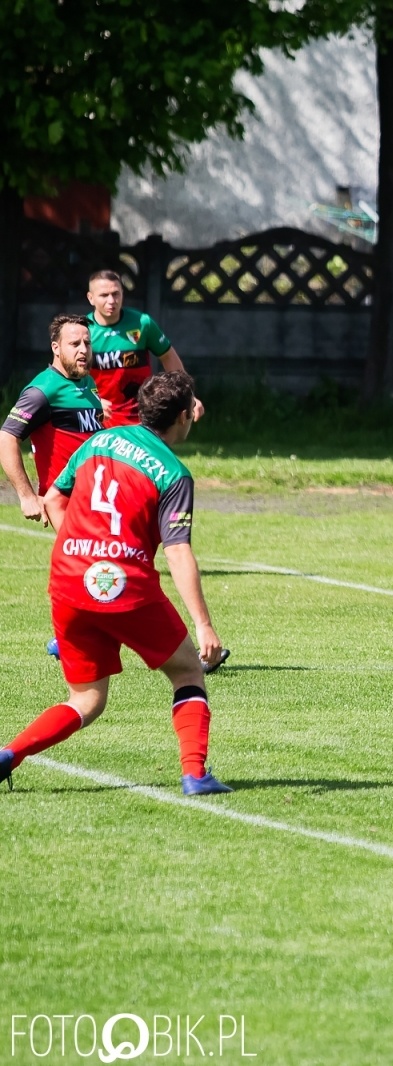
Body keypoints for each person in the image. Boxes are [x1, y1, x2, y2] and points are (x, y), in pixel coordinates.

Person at [0, 372, 229, 795]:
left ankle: (8, 754)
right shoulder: (174, 473)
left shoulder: (96, 443)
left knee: (87, 699)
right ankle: (195, 775)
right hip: (125, 586)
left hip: (68, 579)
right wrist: (204, 625)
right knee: (187, 671)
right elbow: (178, 552)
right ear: (182, 417)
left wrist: (81, 546)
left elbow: (53, 499)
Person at [1, 314, 104, 524]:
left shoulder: (88, 382)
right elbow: (7, 438)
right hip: (66, 499)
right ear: (56, 348)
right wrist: (26, 495)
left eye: (87, 343)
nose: (83, 349)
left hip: (96, 493)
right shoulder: (42, 390)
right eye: (74, 344)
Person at [84, 269, 203, 427]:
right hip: (98, 415)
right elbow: (66, 377)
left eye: (116, 293)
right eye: (104, 295)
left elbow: (168, 356)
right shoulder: (81, 331)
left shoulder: (142, 323)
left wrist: (187, 395)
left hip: (139, 416)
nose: (111, 300)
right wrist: (91, 401)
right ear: (91, 298)